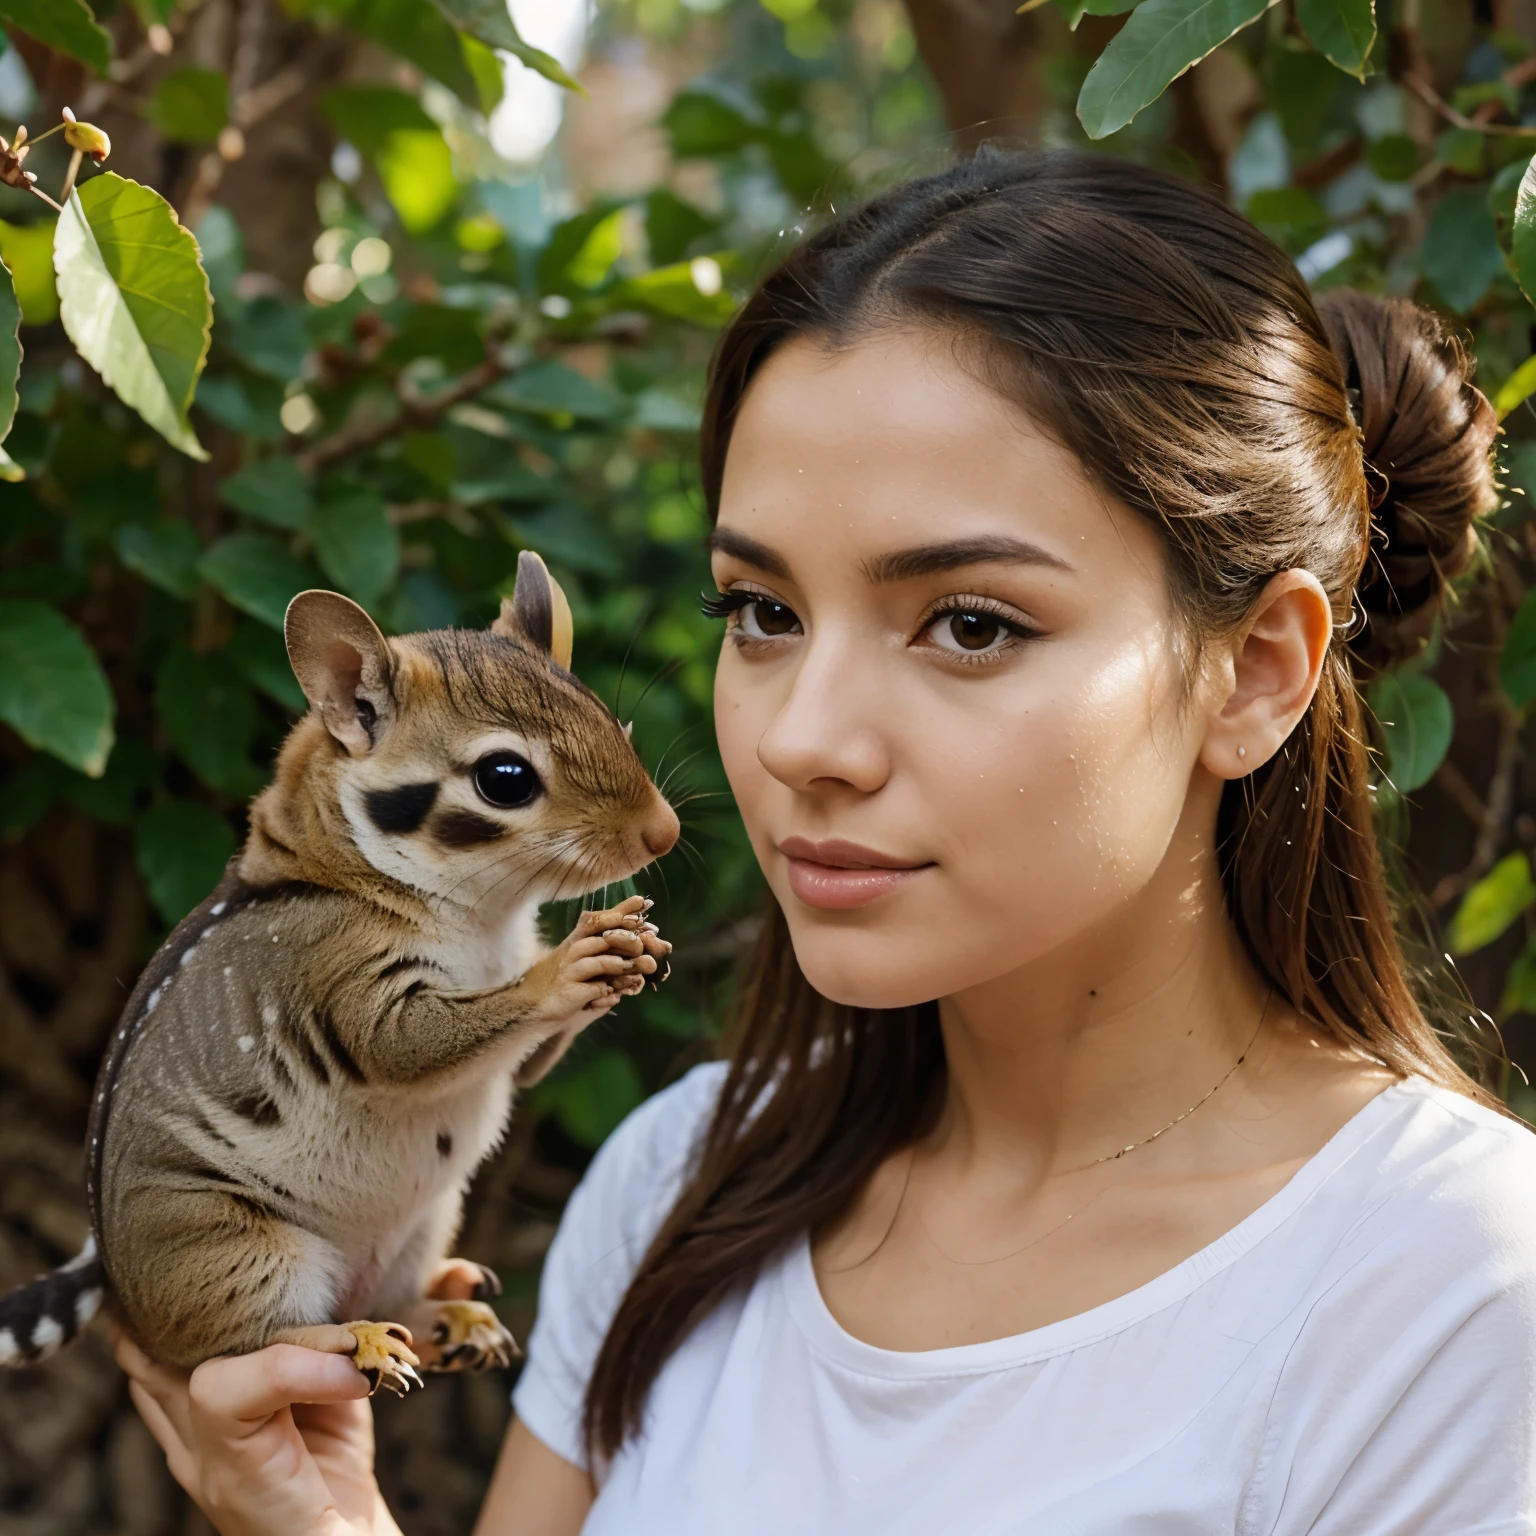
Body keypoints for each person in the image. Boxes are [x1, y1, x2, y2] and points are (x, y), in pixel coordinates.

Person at [116, 147, 1536, 1535]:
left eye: (970, 623)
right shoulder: (680, 1183)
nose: (800, 740)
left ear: (1258, 674)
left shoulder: (1450, 1292)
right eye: (763, 614)